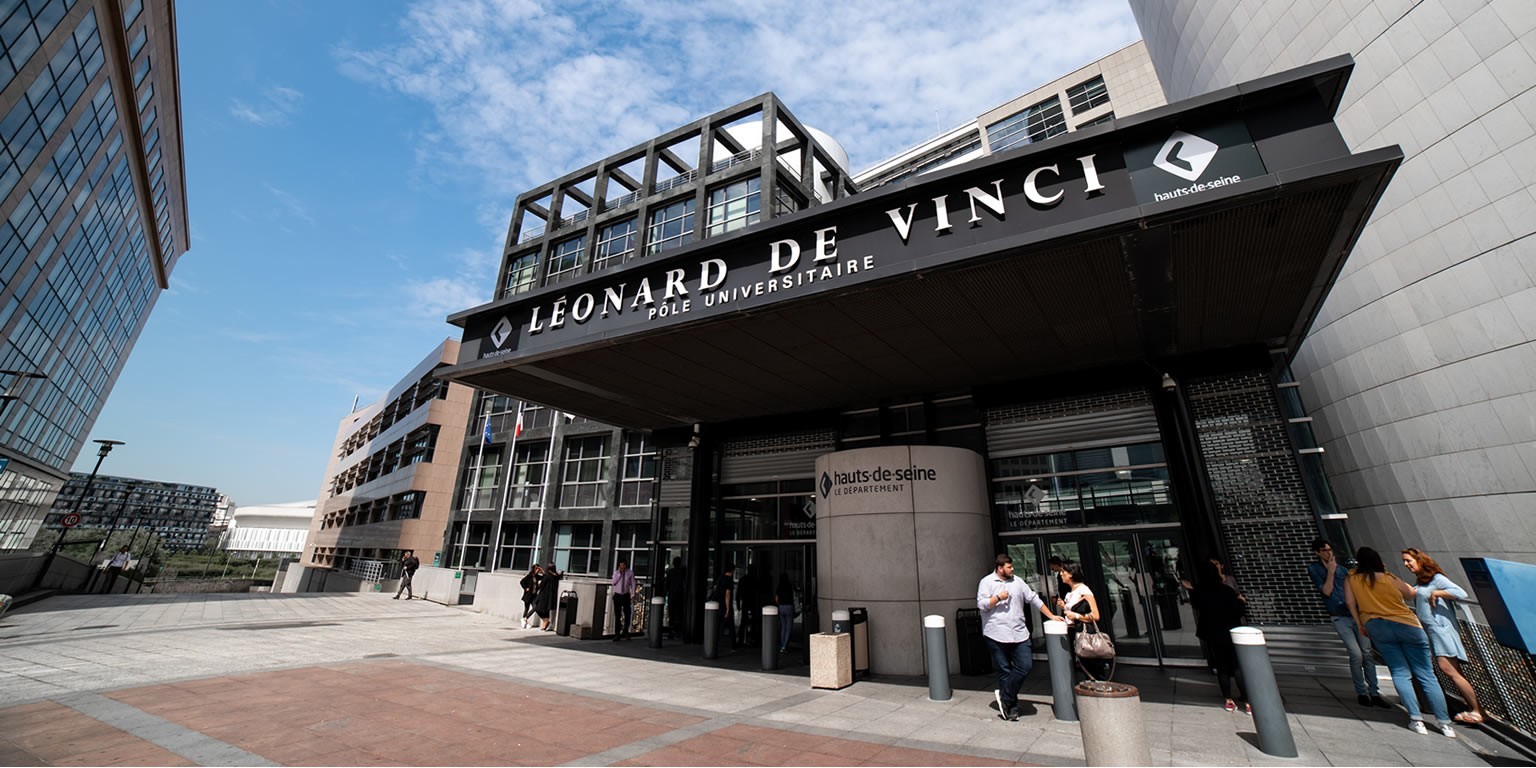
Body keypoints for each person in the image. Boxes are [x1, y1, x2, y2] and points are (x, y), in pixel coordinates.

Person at [1345, 547, 1455, 738]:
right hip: (1407, 625)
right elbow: (1411, 593)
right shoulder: (1389, 577)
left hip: (1377, 626)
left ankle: (1416, 720)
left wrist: (1360, 623)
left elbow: (1350, 602)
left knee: (1399, 672)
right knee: (1426, 675)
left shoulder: (1352, 579)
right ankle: (1445, 724)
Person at [1402, 548, 1484, 725]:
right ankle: (1474, 709)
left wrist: (1437, 593)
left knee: (1449, 669)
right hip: (1431, 631)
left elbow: (1461, 593)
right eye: (1405, 561)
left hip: (1441, 630)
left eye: (1409, 560)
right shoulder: (1421, 581)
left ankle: (1477, 710)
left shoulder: (1437, 579)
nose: (1406, 564)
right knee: (1451, 671)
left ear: (1419, 560)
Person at [978, 553, 1061, 721]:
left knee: (1025, 665)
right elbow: (982, 605)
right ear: (1000, 568)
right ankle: (1011, 708)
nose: (1012, 569)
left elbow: (1034, 599)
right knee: (1004, 670)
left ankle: (1005, 696)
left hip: (1019, 633)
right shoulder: (986, 582)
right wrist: (997, 598)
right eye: (1009, 567)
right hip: (996, 633)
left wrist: (1051, 616)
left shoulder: (1018, 582)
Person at [1308, 538, 1386, 708]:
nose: (1328, 553)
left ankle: (1374, 692)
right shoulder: (1315, 569)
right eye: (1324, 550)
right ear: (1317, 553)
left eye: (1330, 550)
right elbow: (1327, 591)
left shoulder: (1344, 571)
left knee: (1367, 653)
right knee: (1356, 654)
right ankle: (1361, 691)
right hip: (1339, 616)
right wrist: (1330, 572)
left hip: (1357, 614)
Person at [1191, 560, 1249, 713]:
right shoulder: (1227, 591)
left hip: (1214, 633)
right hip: (1231, 632)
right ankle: (1247, 701)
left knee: (1222, 666)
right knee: (1237, 666)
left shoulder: (1200, 592)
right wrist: (1241, 601)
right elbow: (1239, 611)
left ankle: (1228, 700)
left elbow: (1196, 605)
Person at [1056, 561, 1109, 681]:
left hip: (1084, 634)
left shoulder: (1084, 590)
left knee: (1091, 667)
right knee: (1083, 665)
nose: (1061, 574)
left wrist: (1076, 616)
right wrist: (1064, 607)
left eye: (1063, 571)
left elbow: (1095, 615)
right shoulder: (1071, 592)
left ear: (1071, 574)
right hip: (1073, 632)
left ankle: (1097, 687)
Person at [610, 558, 638, 641]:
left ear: (625, 565)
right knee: (617, 615)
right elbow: (613, 582)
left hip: (625, 595)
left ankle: (626, 631)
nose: (622, 567)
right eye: (620, 565)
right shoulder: (616, 573)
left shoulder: (630, 573)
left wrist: (633, 593)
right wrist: (619, 574)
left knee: (627, 614)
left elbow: (633, 583)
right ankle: (617, 634)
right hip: (617, 595)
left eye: (623, 565)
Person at [710, 564, 736, 649]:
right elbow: (727, 595)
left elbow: (715, 589)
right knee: (731, 626)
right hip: (725, 605)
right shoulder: (729, 580)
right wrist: (728, 609)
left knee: (717, 625)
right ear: (732, 570)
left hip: (718, 604)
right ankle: (733, 645)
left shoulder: (720, 578)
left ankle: (714, 643)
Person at [737, 565, 762, 648]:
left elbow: (738, 592)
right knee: (754, 621)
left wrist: (738, 603)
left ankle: (741, 639)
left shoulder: (743, 579)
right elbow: (758, 593)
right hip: (753, 603)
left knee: (743, 621)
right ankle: (753, 639)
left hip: (745, 602)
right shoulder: (756, 580)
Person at [665, 557, 687, 640]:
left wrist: (667, 592)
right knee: (679, 613)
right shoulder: (682, 572)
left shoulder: (670, 572)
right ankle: (678, 631)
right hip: (680, 595)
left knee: (672, 614)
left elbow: (667, 584)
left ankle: (671, 631)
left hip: (672, 595)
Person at [535, 563, 561, 631]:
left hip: (544, 595)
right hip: (552, 596)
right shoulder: (556, 576)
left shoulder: (547, 576)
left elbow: (541, 585)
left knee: (537, 608)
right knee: (548, 610)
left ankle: (545, 620)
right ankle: (546, 624)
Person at [774, 571, 796, 653]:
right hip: (789, 607)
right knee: (788, 628)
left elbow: (776, 599)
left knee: (783, 627)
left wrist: (780, 604)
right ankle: (784, 646)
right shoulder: (790, 586)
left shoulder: (779, 587)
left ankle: (782, 644)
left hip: (781, 607)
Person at [519, 564, 543, 629]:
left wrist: (542, 570)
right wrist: (525, 588)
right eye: (537, 569)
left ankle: (525, 618)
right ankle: (525, 622)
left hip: (534, 596)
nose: (538, 570)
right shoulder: (529, 576)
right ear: (534, 569)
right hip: (528, 595)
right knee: (526, 609)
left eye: (538, 569)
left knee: (535, 607)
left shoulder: (537, 576)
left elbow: (544, 577)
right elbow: (522, 582)